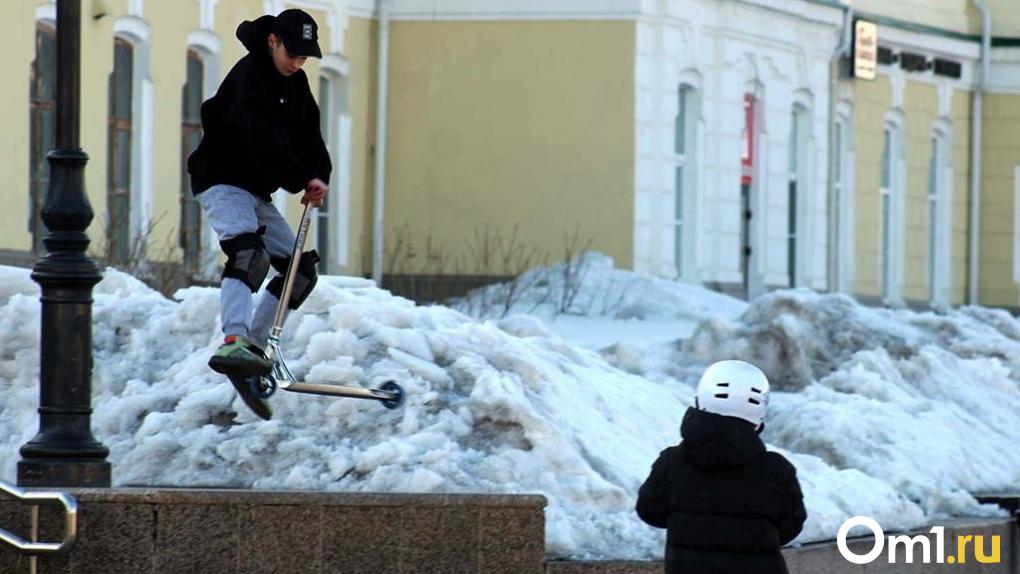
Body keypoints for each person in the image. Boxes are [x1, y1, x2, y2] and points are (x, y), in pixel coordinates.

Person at [187, 8, 332, 419]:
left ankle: (252, 348)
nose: (298, 63)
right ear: (273, 41)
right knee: (248, 254)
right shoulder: (248, 76)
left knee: (300, 271)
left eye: (305, 57)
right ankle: (235, 338)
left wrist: (318, 175)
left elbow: (309, 136)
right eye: (293, 54)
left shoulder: (297, 84)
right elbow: (260, 135)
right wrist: (300, 176)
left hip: (254, 190)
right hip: (220, 179)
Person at [636, 360, 806, 574]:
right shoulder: (776, 470)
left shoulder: (673, 462)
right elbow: (789, 527)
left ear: (700, 402)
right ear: (758, 417)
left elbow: (650, 512)